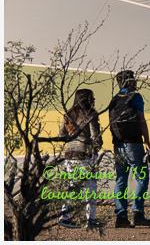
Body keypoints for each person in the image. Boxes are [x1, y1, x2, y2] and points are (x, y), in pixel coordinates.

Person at [109, 70, 150, 228]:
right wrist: (147, 142)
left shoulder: (114, 100)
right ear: (129, 81)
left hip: (118, 145)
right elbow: (141, 120)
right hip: (133, 145)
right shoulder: (135, 97)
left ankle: (121, 217)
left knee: (121, 180)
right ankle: (138, 213)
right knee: (142, 177)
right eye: (133, 80)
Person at [57, 89, 102, 229]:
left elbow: (61, 135)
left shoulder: (68, 114)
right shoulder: (91, 114)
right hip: (85, 154)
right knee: (90, 187)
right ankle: (91, 219)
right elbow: (95, 137)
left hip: (69, 155)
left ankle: (64, 216)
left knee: (72, 186)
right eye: (92, 97)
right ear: (88, 99)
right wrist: (97, 147)